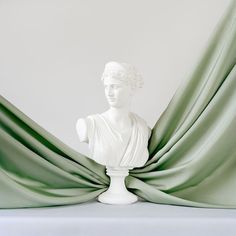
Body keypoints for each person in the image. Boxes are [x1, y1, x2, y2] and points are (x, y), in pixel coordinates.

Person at [76, 61, 151, 169]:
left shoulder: (142, 128)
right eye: (106, 87)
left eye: (115, 87)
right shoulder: (89, 124)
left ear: (131, 89)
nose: (109, 93)